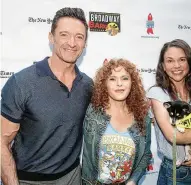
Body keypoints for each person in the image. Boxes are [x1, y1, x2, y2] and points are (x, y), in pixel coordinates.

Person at [1, 7, 93, 185]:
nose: (72, 43)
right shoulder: (22, 82)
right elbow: (1, 142)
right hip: (29, 180)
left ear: (85, 43)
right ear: (51, 37)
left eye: (79, 37)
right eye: (64, 34)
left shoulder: (88, 86)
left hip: (72, 177)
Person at [147, 39, 191, 185]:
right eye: (170, 61)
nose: (176, 65)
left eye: (182, 60)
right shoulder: (157, 94)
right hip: (178, 174)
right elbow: (173, 136)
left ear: (189, 63)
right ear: (163, 66)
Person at [82, 59, 152, 185]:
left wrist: (133, 181)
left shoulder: (142, 116)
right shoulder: (92, 113)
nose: (119, 84)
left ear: (133, 83)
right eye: (112, 79)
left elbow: (146, 155)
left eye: (125, 78)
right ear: (104, 84)